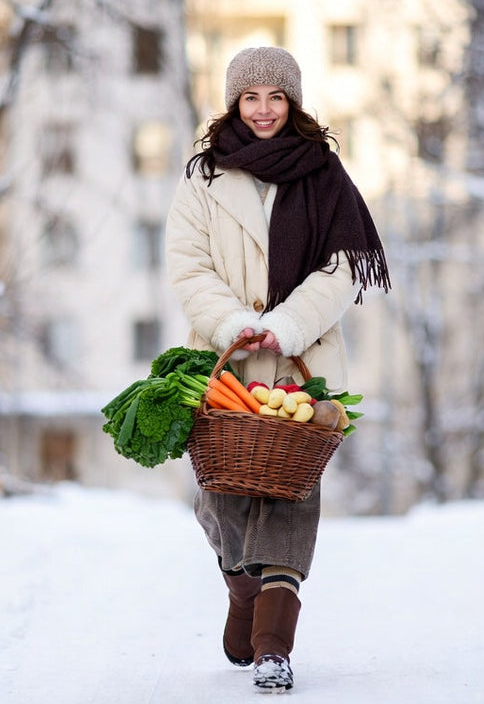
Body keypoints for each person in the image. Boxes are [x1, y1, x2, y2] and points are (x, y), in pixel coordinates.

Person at [164, 45, 390, 693]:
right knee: (222, 496)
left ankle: (273, 647)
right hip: (223, 361)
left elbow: (344, 268)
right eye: (251, 97)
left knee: (290, 496)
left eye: (276, 97)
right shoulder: (203, 178)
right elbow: (188, 267)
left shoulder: (323, 174)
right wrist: (236, 322)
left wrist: (286, 324)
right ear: (234, 102)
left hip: (302, 362)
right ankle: (242, 588)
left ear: (293, 103)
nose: (264, 110)